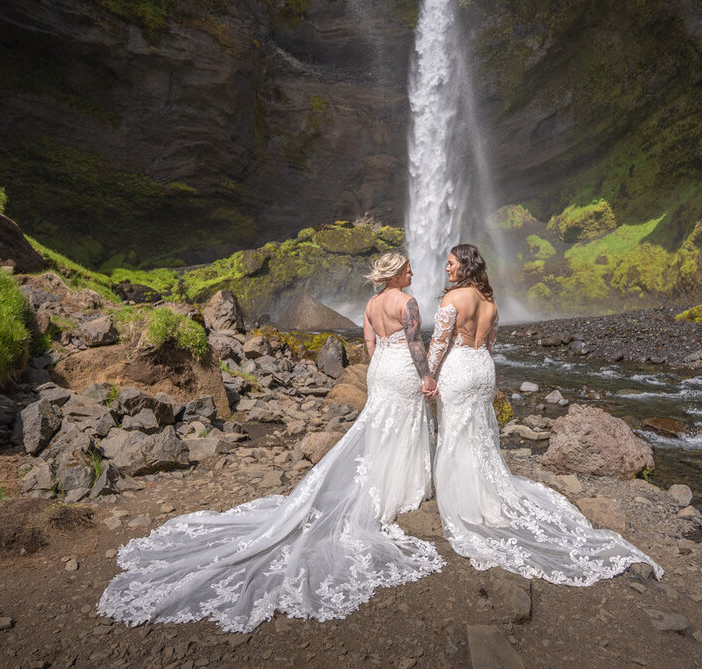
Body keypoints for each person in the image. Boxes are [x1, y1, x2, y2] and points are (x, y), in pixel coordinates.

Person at [97, 252, 443, 633]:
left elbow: (369, 342)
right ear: (395, 274)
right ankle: (401, 487)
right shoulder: (407, 302)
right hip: (403, 369)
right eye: (408, 268)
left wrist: (378, 368)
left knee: (379, 425)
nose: (413, 272)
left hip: (380, 370)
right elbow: (415, 344)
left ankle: (380, 480)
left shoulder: (372, 303)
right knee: (404, 423)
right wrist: (426, 377)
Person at [426, 244, 663, 585]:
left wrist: (428, 375)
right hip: (482, 369)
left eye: (451, 263)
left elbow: (438, 343)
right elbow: (490, 344)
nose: (447, 268)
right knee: (479, 435)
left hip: (459, 369)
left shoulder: (452, 299)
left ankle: (465, 501)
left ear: (465, 265)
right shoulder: (491, 302)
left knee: (455, 433)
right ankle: (486, 497)